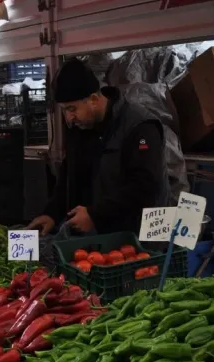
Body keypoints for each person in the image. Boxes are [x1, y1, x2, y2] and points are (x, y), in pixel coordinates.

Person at [28, 59, 170, 237]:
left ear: (94, 99)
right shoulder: (81, 127)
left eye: (72, 109)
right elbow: (68, 175)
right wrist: (51, 213)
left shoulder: (140, 126)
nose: (69, 118)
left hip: (136, 237)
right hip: (96, 237)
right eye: (64, 110)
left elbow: (145, 186)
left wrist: (95, 214)